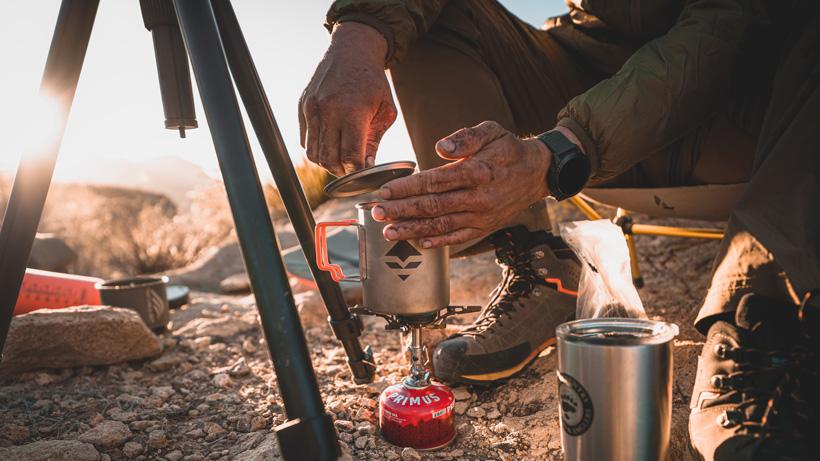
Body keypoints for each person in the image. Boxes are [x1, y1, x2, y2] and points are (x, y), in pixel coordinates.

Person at [300, 1, 819, 458]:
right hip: (591, 76)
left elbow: (728, 24)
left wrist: (560, 151)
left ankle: (763, 313)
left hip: (752, 106)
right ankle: (541, 268)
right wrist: (360, 32)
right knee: (441, 12)